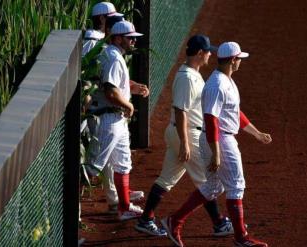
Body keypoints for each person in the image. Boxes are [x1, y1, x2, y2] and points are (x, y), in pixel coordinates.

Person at [161, 42, 272, 247]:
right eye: (239, 58)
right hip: (220, 139)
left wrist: (256, 133)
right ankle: (241, 237)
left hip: (220, 138)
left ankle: (174, 220)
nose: (240, 62)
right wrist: (216, 152)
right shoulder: (216, 85)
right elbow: (211, 119)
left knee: (213, 187)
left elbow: (233, 113)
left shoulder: (227, 81)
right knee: (236, 186)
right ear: (232, 60)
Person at [134, 35, 234, 237]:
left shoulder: (193, 74)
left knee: (167, 179)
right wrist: (185, 144)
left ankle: (145, 219)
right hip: (186, 133)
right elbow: (181, 111)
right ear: (200, 53)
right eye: (208, 52)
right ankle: (219, 222)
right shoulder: (187, 78)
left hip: (182, 133)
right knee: (208, 179)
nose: (210, 55)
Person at [86, 20, 149, 221]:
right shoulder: (113, 57)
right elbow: (111, 92)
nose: (134, 42)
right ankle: (71, 215)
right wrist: (129, 105)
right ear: (118, 38)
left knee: (123, 163)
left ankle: (124, 207)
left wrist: (132, 86)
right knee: (92, 168)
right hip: (108, 119)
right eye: (130, 38)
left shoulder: (112, 55)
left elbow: (114, 82)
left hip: (117, 120)